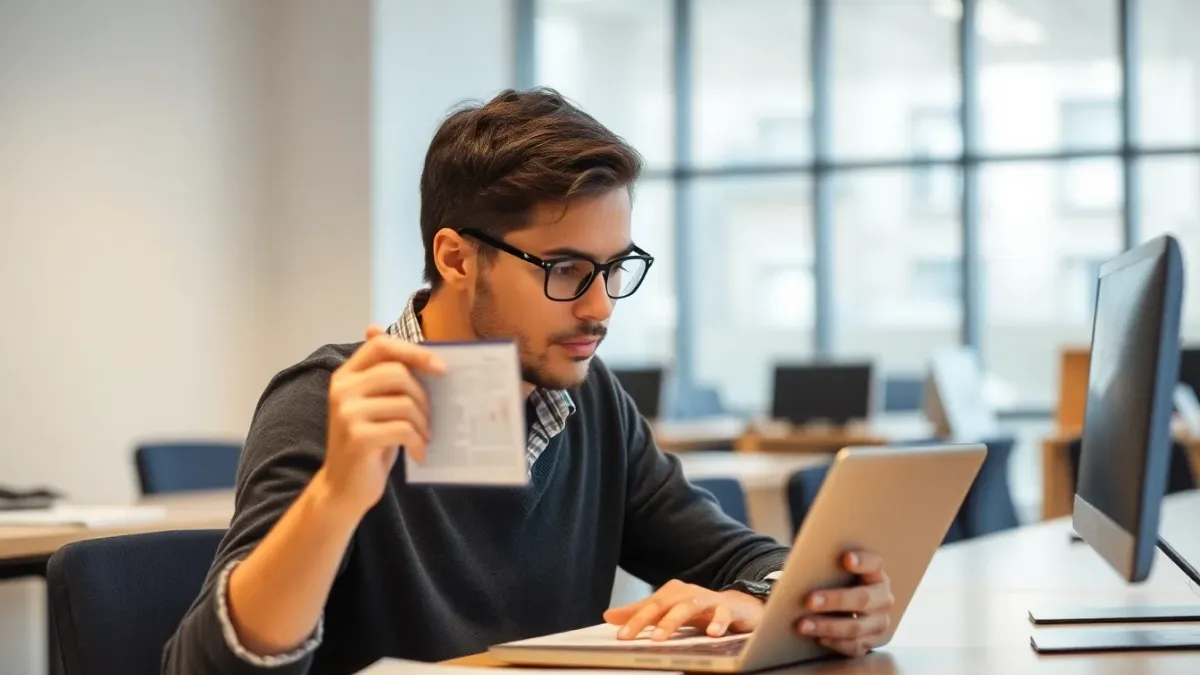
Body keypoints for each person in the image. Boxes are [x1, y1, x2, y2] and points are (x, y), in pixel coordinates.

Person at [163, 88, 894, 675]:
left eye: (613, 269)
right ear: (455, 257)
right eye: (566, 269)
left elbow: (745, 558)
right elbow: (206, 667)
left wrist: (784, 603)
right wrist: (336, 496)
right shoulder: (329, 402)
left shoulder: (589, 399)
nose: (600, 305)